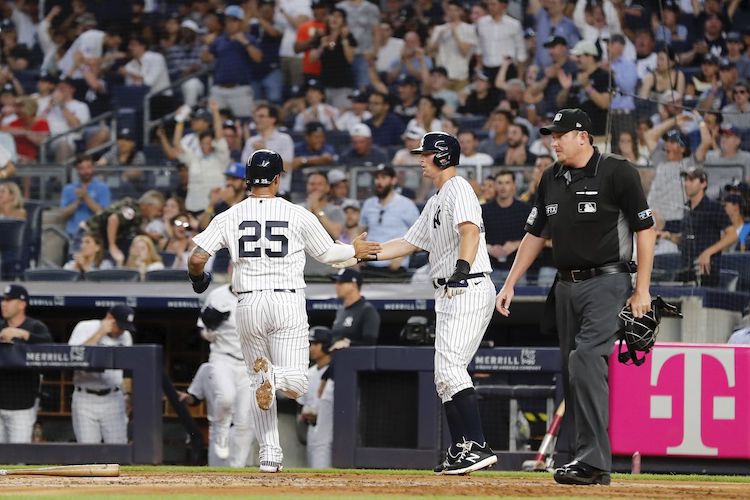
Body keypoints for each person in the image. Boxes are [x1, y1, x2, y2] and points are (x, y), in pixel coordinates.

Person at [187, 149, 381, 473]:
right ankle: (273, 378)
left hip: (246, 303)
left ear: (248, 180)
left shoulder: (229, 215)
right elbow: (330, 254)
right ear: (278, 178)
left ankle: (269, 455)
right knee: (295, 384)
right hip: (286, 300)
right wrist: (355, 252)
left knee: (256, 381)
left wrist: (199, 280)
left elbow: (196, 259)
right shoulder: (297, 213)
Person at [495, 108, 656, 486]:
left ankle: (593, 460)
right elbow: (536, 234)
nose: (554, 141)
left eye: (560, 134)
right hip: (564, 284)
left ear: (583, 136)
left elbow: (646, 230)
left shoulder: (618, 171)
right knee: (573, 370)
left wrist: (643, 289)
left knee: (585, 359)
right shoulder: (550, 177)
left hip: (608, 280)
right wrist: (510, 283)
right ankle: (588, 463)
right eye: (552, 134)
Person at [334, 131, 497, 475]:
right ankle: (462, 448)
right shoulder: (436, 199)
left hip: (467, 284)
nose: (420, 159)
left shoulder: (459, 187)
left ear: (440, 156)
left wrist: (462, 269)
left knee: (451, 368)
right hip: (450, 289)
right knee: (444, 375)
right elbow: (408, 243)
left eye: (425, 154)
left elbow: (470, 230)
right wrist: (364, 253)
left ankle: (478, 445)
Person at [193, 281, 254, 466]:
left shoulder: (260, 294)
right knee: (226, 398)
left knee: (244, 419)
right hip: (222, 357)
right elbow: (202, 329)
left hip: (248, 362)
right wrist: (211, 328)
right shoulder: (218, 295)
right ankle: (220, 430)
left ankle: (238, 467)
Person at [68, 305, 136, 444]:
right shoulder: (85, 327)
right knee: (88, 452)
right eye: (120, 326)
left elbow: (127, 369)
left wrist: (128, 395)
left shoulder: (126, 336)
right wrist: (99, 333)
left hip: (114, 398)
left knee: (118, 449)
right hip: (85, 398)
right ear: (109, 318)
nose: (122, 331)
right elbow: (73, 358)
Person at [662, 168, 737, 287]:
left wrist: (707, 253)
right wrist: (668, 236)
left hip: (706, 271)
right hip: (686, 269)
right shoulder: (687, 209)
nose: (686, 183)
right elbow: (686, 240)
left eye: (691, 180)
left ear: (703, 183)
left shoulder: (713, 207)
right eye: (686, 180)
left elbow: (732, 235)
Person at [0, 285, 52, 444]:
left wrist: (23, 334)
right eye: (3, 300)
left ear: (22, 304)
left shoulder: (35, 326)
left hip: (23, 405)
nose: (3, 304)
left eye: (9, 300)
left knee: (18, 460)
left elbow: (50, 347)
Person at [202, 5, 260, 118]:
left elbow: (258, 58)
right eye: (228, 20)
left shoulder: (249, 38)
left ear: (241, 22)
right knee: (213, 121)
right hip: (219, 88)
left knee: (244, 122)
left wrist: (245, 42)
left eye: (234, 20)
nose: (230, 23)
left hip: (240, 89)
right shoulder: (219, 40)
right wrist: (207, 45)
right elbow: (205, 59)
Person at [359, 165, 420, 273]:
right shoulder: (368, 204)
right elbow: (360, 231)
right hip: (369, 265)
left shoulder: (406, 205)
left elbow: (420, 237)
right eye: (377, 178)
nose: (379, 182)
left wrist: (401, 255)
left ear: (393, 180)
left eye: (383, 178)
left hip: (395, 266)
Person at [483, 170, 532, 282]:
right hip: (490, 268)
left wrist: (516, 244)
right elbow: (474, 237)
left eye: (507, 182)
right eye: (500, 183)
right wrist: (489, 248)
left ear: (514, 185)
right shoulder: (483, 210)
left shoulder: (525, 210)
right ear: (495, 185)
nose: (503, 187)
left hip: (517, 269)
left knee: (522, 299)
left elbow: (534, 238)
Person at [297, 326, 334, 468]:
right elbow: (302, 404)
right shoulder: (309, 373)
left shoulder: (335, 371)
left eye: (316, 344)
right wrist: (304, 416)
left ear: (326, 346)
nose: (311, 348)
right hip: (311, 429)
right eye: (310, 344)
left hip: (330, 430)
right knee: (313, 472)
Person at [61, 155, 111, 241]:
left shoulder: (103, 188)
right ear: (77, 170)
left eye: (88, 167)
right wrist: (77, 202)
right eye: (82, 168)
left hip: (95, 235)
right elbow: (63, 215)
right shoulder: (68, 189)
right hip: (73, 234)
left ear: (93, 168)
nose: (86, 171)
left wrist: (86, 197)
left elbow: (103, 213)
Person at [329, 268, 380, 349]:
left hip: (356, 360)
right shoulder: (341, 310)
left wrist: (349, 344)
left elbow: (370, 345)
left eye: (341, 282)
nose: (337, 286)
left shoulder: (367, 310)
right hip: (338, 359)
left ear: (354, 285)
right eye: (336, 282)